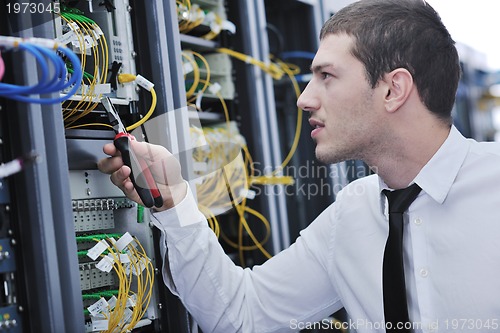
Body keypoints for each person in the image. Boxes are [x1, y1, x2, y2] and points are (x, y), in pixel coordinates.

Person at [98, 0, 500, 332]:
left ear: (393, 89)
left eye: (326, 76)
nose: (304, 99)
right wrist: (174, 201)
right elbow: (241, 315)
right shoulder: (352, 215)